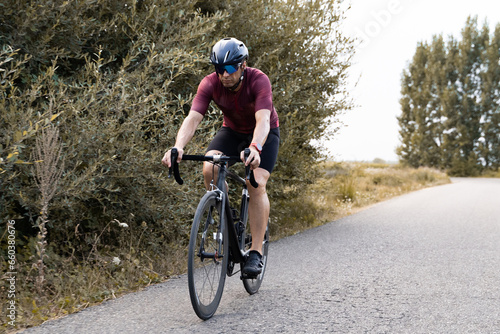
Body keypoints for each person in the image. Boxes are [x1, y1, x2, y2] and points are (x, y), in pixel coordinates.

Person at [162, 37, 279, 277]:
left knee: (255, 182)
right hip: (232, 131)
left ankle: (255, 253)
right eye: (218, 69)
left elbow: (263, 120)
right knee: (209, 167)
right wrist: (178, 146)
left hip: (263, 134)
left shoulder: (259, 80)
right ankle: (227, 220)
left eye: (229, 68)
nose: (224, 75)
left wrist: (256, 147)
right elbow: (193, 118)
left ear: (242, 65)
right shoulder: (209, 83)